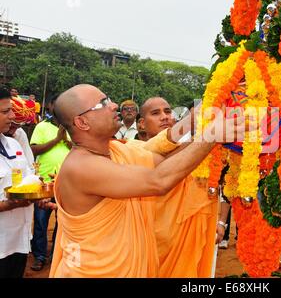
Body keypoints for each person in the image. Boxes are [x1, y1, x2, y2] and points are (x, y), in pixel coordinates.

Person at [49, 84, 243, 277]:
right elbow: (158, 181)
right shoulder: (82, 167)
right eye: (103, 104)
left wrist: (205, 129)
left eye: (108, 99)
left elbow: (165, 161)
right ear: (82, 122)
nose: (114, 105)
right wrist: (211, 136)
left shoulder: (118, 150)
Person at [134, 97, 219, 277]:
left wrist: (219, 221)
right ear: (141, 124)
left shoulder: (193, 150)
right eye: (156, 113)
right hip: (151, 243)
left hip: (186, 241)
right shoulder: (131, 150)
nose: (164, 117)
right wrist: (198, 131)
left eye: (167, 111)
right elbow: (155, 158)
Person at [29, 94, 71, 271]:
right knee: (40, 222)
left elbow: (79, 149)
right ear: (51, 106)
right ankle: (39, 256)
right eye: (58, 103)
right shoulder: (42, 126)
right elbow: (34, 149)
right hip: (44, 182)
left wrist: (67, 141)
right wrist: (56, 140)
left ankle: (56, 255)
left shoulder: (72, 126)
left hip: (67, 184)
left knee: (63, 223)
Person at [0, 87, 34, 278]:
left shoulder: (13, 144)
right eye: (6, 112)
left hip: (18, 241)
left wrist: (41, 196)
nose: (12, 116)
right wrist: (7, 205)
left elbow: (28, 178)